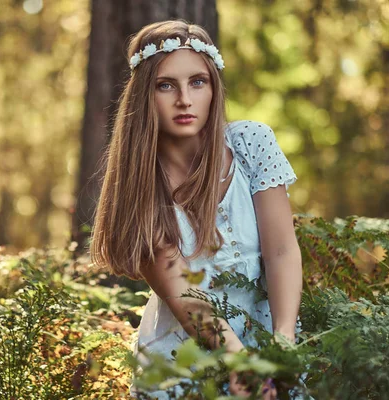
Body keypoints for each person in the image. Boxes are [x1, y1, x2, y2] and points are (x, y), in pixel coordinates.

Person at [90, 20, 310, 399]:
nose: (184, 100)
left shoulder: (251, 145)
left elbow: (281, 251)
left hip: (269, 347)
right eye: (165, 85)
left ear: (214, 88)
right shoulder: (139, 183)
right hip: (181, 368)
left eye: (197, 82)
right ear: (145, 95)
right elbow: (187, 297)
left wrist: (283, 344)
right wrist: (239, 363)